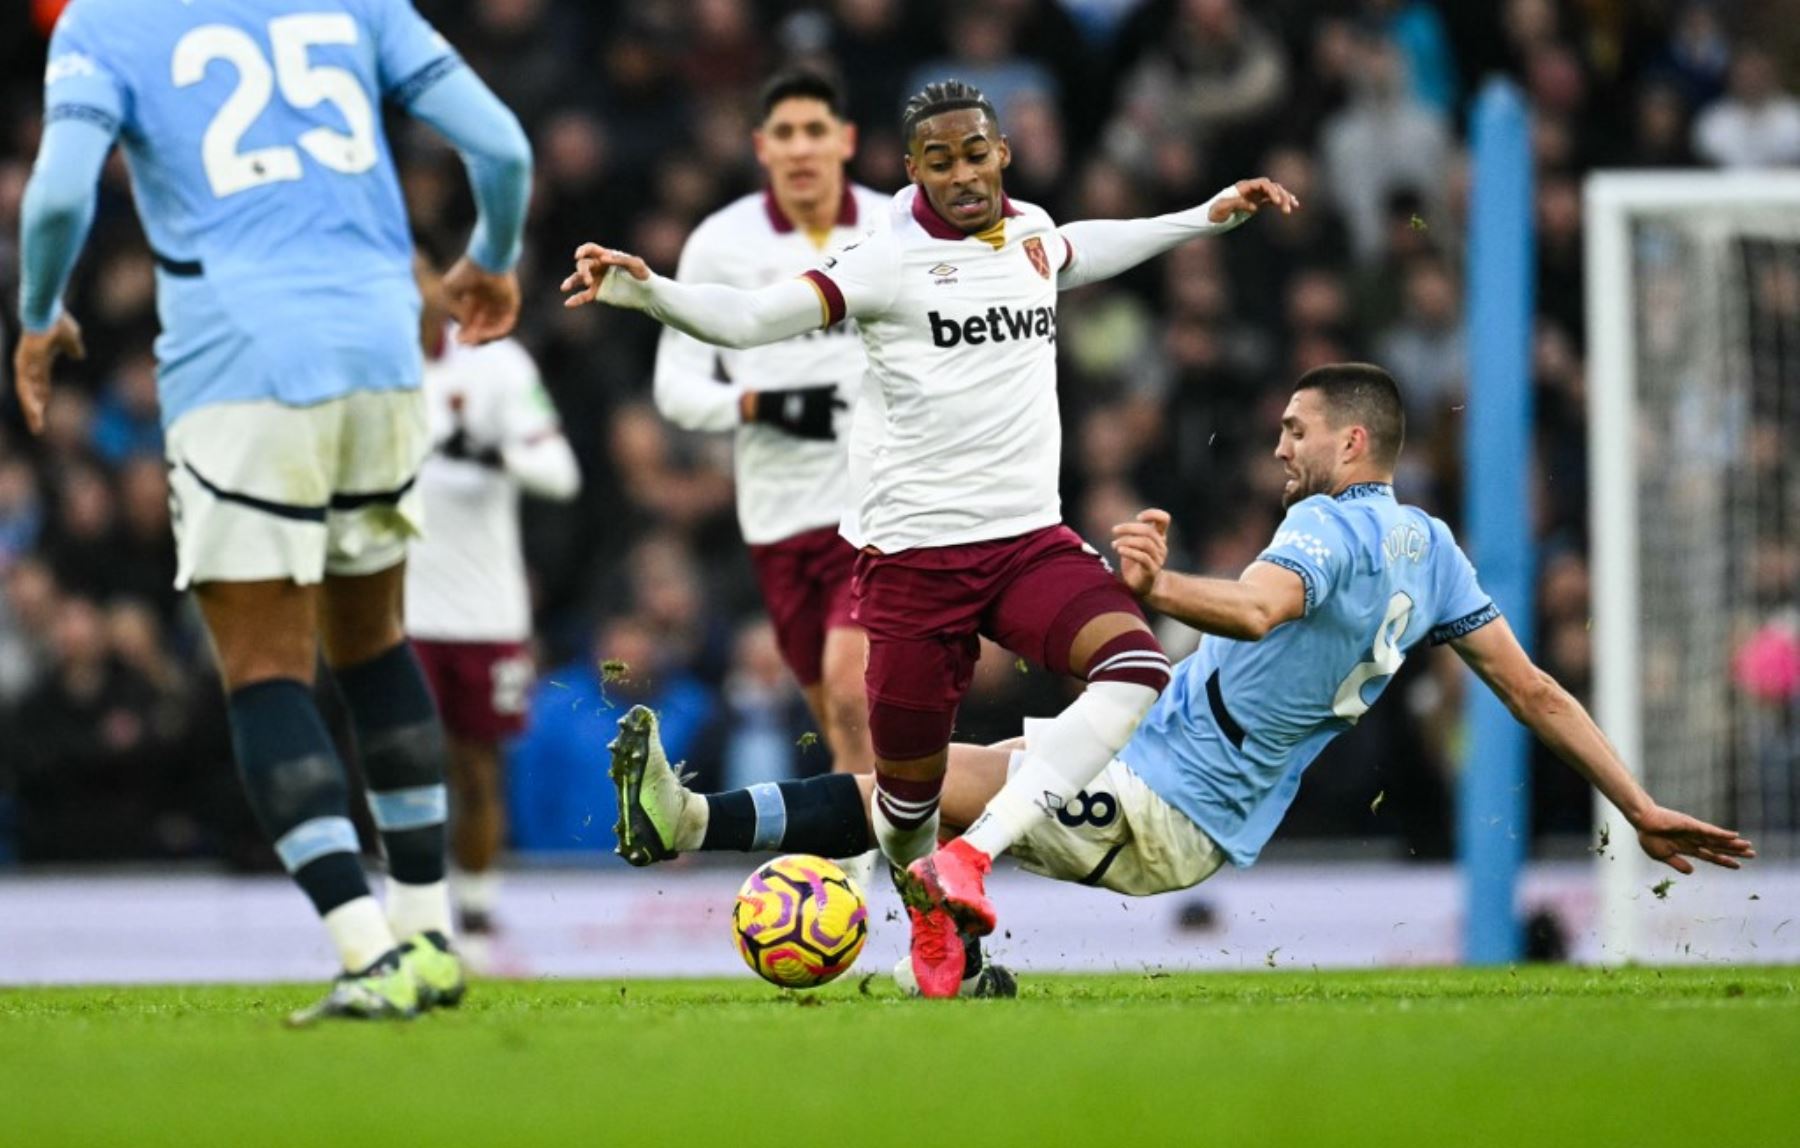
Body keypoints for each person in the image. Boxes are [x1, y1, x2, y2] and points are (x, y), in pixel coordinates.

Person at [609, 363, 1756, 996]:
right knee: (916, 779)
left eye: (1296, 428)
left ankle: (696, 821)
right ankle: (953, 959)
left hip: (1174, 802)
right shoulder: (1436, 548)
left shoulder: (1326, 526)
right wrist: (1637, 802)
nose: (1280, 449)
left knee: (903, 786)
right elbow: (1537, 691)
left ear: (1351, 444)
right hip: (1161, 772)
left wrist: (1154, 585)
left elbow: (1258, 607)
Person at [563, 78, 1297, 997]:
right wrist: (646, 290)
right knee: (904, 802)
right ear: (912, 169)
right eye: (939, 161)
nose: (962, 175)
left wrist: (1204, 216)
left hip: (1027, 544)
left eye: (976, 154)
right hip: (914, 565)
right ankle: (937, 935)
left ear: (1004, 154)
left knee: (1137, 668)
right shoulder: (885, 262)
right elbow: (750, 320)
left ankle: (975, 858)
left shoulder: (1028, 231)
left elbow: (1082, 249)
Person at [14, 0, 532, 1023]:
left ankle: (366, 945)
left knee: (262, 667)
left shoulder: (105, 25)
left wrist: (38, 315)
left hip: (240, 356)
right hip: (383, 347)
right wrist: (493, 254)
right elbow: (503, 146)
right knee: (374, 641)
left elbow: (58, 199)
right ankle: (429, 931)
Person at [652, 68, 885, 775]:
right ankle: (895, 851)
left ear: (845, 140)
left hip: (879, 502)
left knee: (853, 691)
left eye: (816, 130)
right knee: (837, 719)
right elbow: (675, 387)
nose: (801, 148)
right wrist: (757, 405)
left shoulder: (893, 226)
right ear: (761, 146)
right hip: (778, 516)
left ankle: (891, 872)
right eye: (785, 133)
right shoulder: (721, 245)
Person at [405, 254, 580, 956]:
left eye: (411, 273)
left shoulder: (498, 365)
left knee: (477, 765)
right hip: (398, 605)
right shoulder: (362, 373)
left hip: (485, 606)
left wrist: (493, 454)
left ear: (440, 287)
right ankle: (413, 917)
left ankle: (474, 917)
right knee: (406, 765)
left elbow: (560, 473)